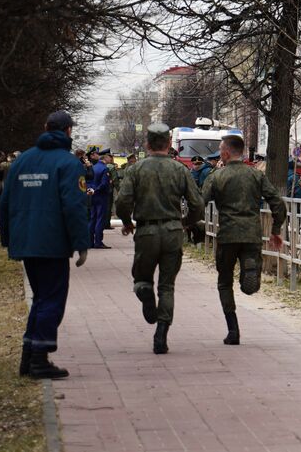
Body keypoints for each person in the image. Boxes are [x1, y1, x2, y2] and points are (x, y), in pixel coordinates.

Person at [0, 110, 90, 379]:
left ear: (45, 127)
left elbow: (5, 202)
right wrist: (81, 244)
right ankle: (39, 359)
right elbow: (73, 206)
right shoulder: (68, 163)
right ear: (69, 131)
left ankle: (28, 357)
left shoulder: (23, 160)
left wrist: (8, 239)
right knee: (51, 299)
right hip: (52, 243)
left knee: (40, 298)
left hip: (26, 242)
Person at [116, 122, 204, 355]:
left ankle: (144, 291)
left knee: (142, 276)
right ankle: (161, 335)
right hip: (173, 232)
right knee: (167, 286)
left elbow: (122, 201)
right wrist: (185, 223)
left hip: (146, 231)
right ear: (168, 144)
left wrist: (127, 222)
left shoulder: (136, 170)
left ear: (147, 144)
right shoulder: (180, 170)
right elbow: (197, 204)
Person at [200, 134, 285, 345]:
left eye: (221, 149)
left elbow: (199, 202)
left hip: (228, 234)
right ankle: (250, 269)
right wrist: (275, 229)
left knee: (224, 282)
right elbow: (278, 202)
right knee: (249, 283)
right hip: (251, 234)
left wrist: (186, 223)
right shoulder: (256, 175)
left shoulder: (216, 176)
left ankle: (233, 330)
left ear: (226, 153)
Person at [87, 149, 113, 248]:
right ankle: (98, 242)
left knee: (92, 218)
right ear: (104, 158)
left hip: (92, 195)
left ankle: (90, 242)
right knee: (100, 219)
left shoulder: (93, 167)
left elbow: (88, 181)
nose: (110, 159)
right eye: (109, 157)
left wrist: (91, 190)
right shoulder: (104, 169)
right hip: (101, 196)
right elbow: (104, 184)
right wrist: (97, 190)